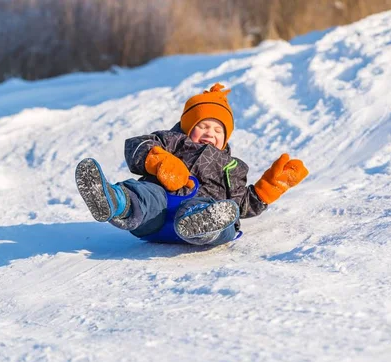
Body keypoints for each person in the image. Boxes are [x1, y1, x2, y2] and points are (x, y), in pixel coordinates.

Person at [75, 83, 308, 246]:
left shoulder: (233, 167)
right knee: (145, 193)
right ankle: (113, 201)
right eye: (203, 126)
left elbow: (242, 204)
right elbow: (136, 146)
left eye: (218, 130)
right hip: (156, 211)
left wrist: (269, 187)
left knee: (222, 212)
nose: (210, 133)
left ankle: (204, 223)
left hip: (197, 218)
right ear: (188, 127)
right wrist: (158, 159)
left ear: (226, 137)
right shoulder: (172, 141)